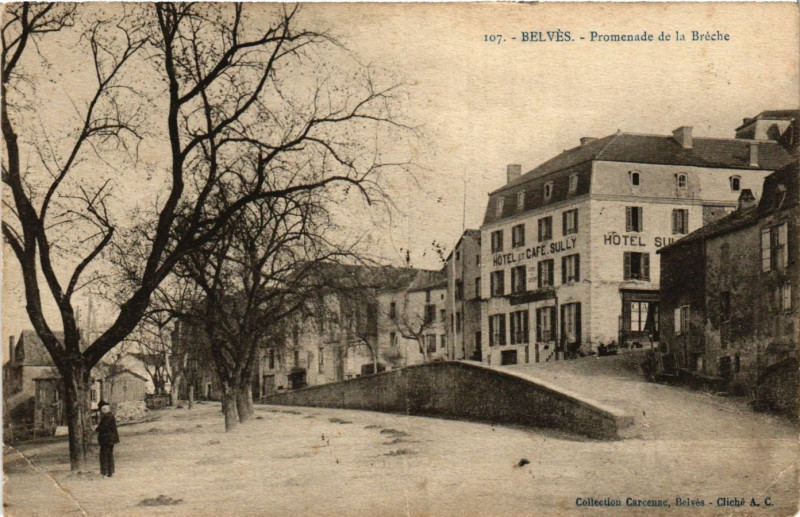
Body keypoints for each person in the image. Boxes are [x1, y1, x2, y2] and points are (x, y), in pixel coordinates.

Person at [95, 402, 120, 477]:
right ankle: (110, 472)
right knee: (109, 455)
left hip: (106, 439)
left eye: (102, 409)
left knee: (104, 455)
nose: (102, 411)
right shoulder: (110, 415)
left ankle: (105, 472)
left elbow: (104, 427)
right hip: (110, 440)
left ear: (105, 409)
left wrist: (97, 428)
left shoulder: (107, 416)